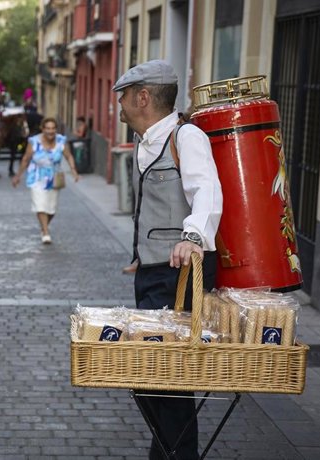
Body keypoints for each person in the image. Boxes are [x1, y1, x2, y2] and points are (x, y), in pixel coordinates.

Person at [113, 59, 223, 460]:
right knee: (150, 377)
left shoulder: (186, 136)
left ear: (143, 97)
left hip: (178, 278)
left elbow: (207, 191)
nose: (120, 106)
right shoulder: (148, 141)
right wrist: (143, 255)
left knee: (169, 380)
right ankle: (165, 453)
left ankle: (177, 455)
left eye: (123, 98)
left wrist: (192, 238)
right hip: (154, 272)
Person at [11, 117, 79, 244]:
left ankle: (44, 226)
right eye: (47, 128)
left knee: (51, 209)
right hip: (36, 177)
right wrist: (18, 176)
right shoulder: (34, 141)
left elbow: (68, 156)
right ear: (43, 129)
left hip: (54, 177)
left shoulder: (61, 141)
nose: (50, 131)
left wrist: (73, 170)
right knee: (40, 205)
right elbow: (26, 158)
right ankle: (46, 232)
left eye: (53, 128)